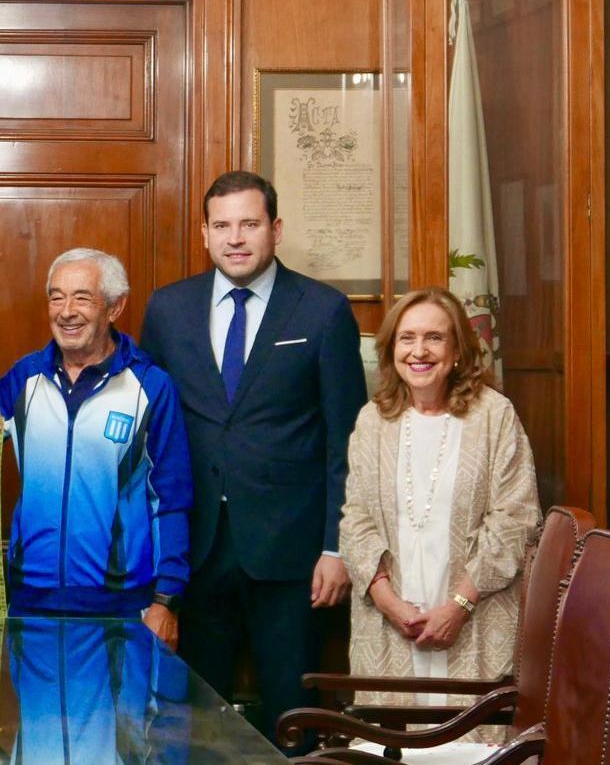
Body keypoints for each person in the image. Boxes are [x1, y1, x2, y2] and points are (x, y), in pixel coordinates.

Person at [140, 170, 366, 750]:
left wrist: (335, 548)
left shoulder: (322, 311)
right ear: (205, 234)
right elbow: (150, 433)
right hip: (196, 551)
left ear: (276, 229)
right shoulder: (168, 310)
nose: (235, 237)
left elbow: (349, 441)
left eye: (249, 223)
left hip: (292, 558)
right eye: (222, 225)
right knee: (196, 726)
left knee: (292, 722)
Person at [0, 248, 190, 646]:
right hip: (31, 601)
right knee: (35, 711)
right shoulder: (27, 376)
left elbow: (171, 500)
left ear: (115, 307)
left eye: (82, 297)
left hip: (121, 609)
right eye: (56, 296)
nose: (66, 311)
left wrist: (166, 601)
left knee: (119, 713)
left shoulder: (151, 387)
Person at [339, 286, 540, 725]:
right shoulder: (373, 421)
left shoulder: (494, 415)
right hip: (392, 625)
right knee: (393, 748)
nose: (419, 351)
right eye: (407, 338)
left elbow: (516, 519)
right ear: (392, 349)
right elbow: (356, 521)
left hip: (474, 620)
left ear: (457, 351)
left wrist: (457, 608)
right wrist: (389, 602)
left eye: (434, 337)